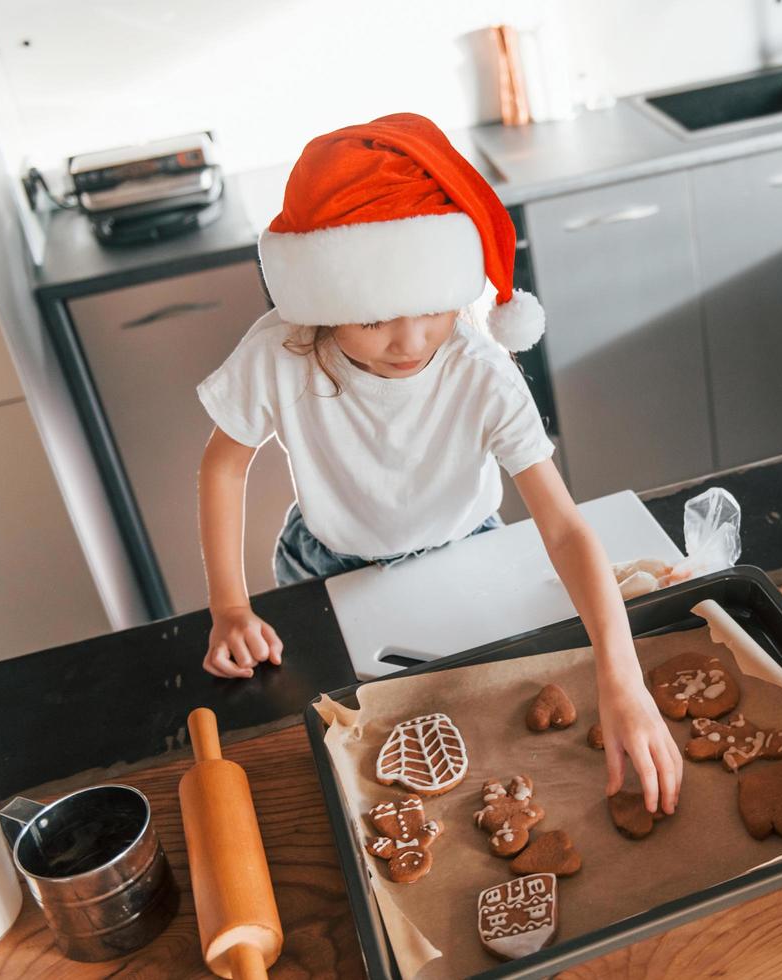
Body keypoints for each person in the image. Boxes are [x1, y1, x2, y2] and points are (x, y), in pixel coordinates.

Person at [194, 113, 681, 813]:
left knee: (485, 732)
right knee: (334, 752)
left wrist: (623, 675)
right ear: (322, 304)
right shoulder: (282, 353)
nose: (409, 339)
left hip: (466, 551)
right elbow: (222, 466)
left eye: (431, 308)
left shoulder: (479, 369)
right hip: (329, 565)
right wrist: (230, 608)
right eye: (371, 319)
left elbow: (567, 530)